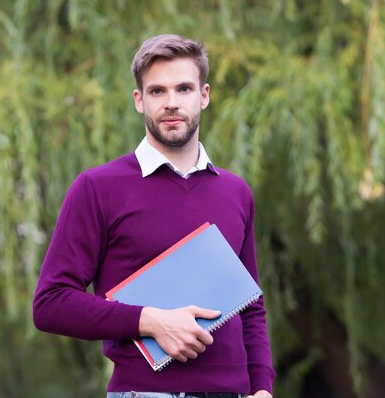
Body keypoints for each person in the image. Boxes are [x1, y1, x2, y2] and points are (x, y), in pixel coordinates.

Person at [33, 34, 276, 398]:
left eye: (184, 89)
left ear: (204, 95)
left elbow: (251, 308)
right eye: (158, 91)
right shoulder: (98, 188)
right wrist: (148, 320)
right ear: (139, 101)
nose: (172, 103)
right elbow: (50, 303)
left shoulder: (236, 192)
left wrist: (262, 388)